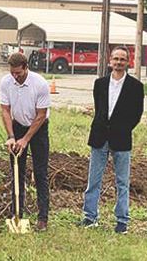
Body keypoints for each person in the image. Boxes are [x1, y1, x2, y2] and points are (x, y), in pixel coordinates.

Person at [79, 46, 144, 234]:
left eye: (122, 59)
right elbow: (99, 109)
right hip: (99, 137)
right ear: (110, 61)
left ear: (128, 62)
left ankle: (122, 220)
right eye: (115, 58)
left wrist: (122, 129)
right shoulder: (99, 83)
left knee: (122, 182)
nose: (118, 62)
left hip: (121, 139)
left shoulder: (136, 87)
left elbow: (136, 114)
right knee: (94, 180)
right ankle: (90, 217)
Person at [0, 52, 50, 231]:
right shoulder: (6, 82)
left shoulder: (40, 84)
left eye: (18, 73)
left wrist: (25, 140)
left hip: (38, 129)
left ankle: (43, 217)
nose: (15, 76)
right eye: (12, 73)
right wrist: (12, 136)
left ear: (26, 67)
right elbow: (5, 110)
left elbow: (41, 115)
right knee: (16, 171)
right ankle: (17, 213)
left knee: (40, 172)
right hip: (18, 126)